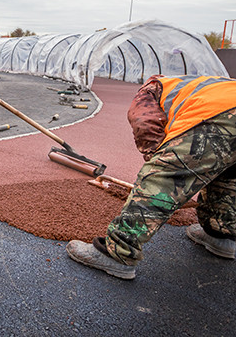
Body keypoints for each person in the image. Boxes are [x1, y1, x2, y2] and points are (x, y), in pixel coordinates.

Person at [66, 74, 236, 280]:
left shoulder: (151, 90)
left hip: (222, 115)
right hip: (226, 110)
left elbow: (144, 123)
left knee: (162, 177)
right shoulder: (201, 84)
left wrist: (159, 164)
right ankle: (219, 233)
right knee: (228, 175)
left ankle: (118, 251)